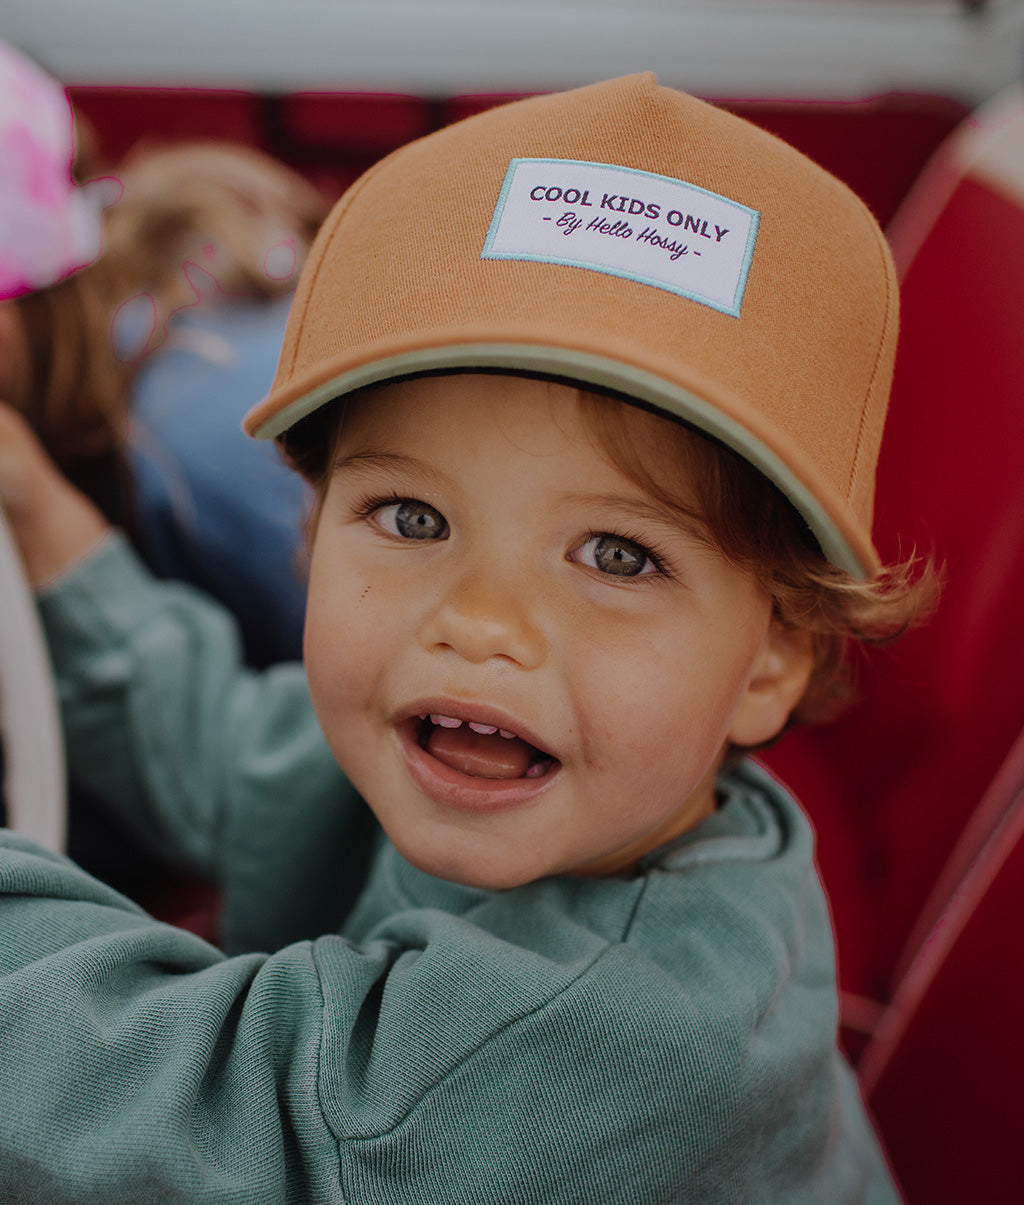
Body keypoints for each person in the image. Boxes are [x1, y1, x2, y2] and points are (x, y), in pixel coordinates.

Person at [0, 73, 933, 1201]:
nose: (478, 620)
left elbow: (217, 1118)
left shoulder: (636, 1020)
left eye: (618, 555)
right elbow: (233, 759)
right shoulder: (486, 750)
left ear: (774, 654)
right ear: (314, 528)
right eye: (411, 519)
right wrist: (48, 523)